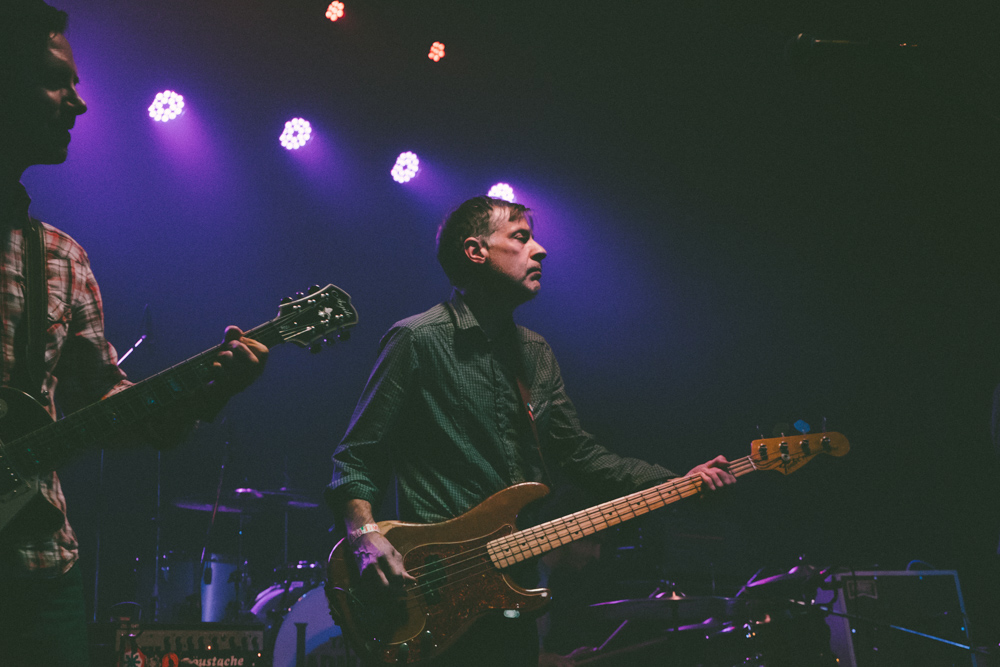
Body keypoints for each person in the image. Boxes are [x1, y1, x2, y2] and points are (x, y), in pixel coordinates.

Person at [327, 195, 735, 665]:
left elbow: (579, 455)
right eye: (520, 238)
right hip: (430, 590)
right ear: (475, 251)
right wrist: (364, 537)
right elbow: (355, 458)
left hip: (510, 597)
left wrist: (678, 483)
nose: (539, 250)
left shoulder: (536, 353)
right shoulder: (417, 339)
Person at [0, 3, 269, 665]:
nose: (79, 104)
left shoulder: (59, 257)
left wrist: (206, 393)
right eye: (55, 81)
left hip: (36, 572)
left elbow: (108, 413)